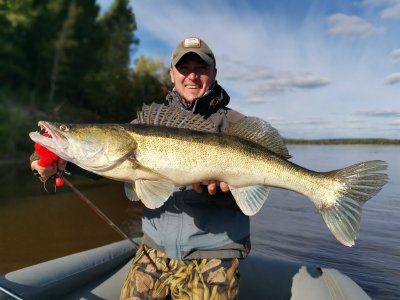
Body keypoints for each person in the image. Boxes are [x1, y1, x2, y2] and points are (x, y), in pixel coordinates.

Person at [31, 37, 250, 300]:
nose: (192, 76)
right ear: (172, 74)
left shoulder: (235, 125)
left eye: (201, 68)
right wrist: (54, 161)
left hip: (215, 252)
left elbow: (256, 190)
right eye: (184, 68)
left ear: (214, 73)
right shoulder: (146, 122)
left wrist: (227, 193)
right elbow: (107, 159)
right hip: (154, 251)